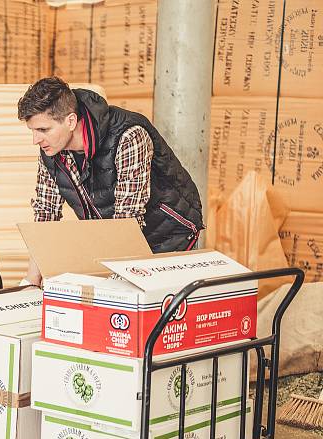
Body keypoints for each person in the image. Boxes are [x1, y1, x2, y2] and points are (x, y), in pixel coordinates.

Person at [18, 77, 204, 286]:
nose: (36, 139)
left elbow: (127, 220)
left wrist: (112, 282)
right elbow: (45, 215)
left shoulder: (128, 136)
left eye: (43, 130)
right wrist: (31, 280)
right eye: (33, 131)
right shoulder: (52, 151)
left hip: (168, 236)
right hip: (117, 242)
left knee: (155, 312)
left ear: (70, 121)